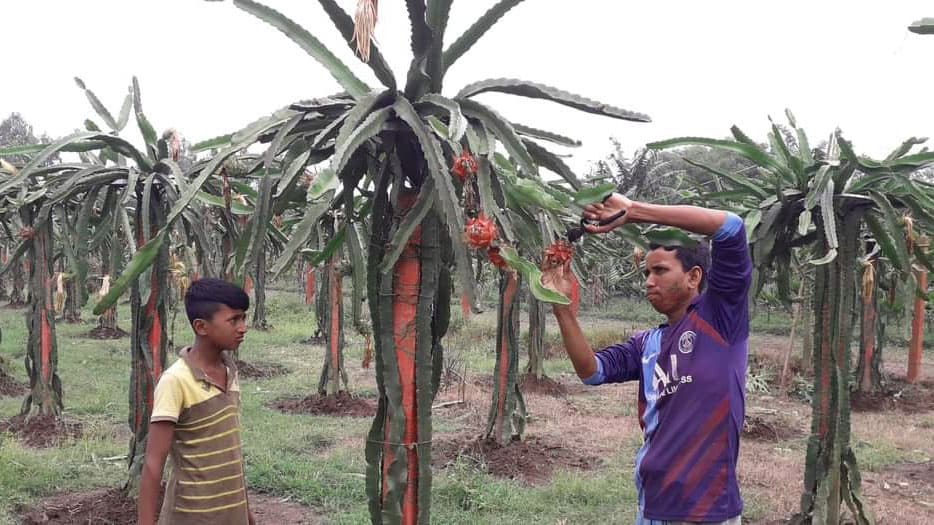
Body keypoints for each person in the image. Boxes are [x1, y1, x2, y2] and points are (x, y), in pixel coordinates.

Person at [543, 193, 751, 524]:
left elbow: (731, 227)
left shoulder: (721, 319)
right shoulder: (647, 343)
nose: (649, 282)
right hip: (651, 504)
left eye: (660, 271)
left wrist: (635, 212)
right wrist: (560, 306)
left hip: (704, 511)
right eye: (646, 273)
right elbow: (591, 371)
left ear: (693, 277)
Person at [138, 278, 255, 525]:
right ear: (201, 327)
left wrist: (247, 514)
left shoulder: (230, 371)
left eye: (244, 318)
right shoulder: (176, 381)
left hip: (232, 514)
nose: (243, 327)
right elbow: (152, 464)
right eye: (233, 320)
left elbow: (231, 453)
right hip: (191, 515)